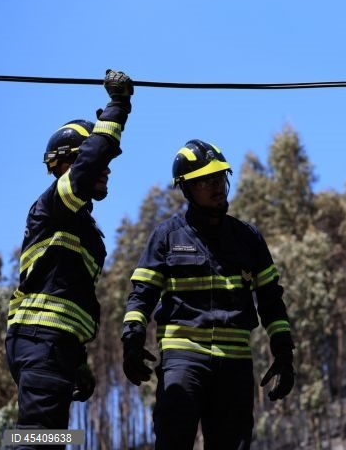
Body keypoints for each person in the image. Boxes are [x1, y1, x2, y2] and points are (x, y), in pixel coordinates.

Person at [121, 139, 295, 450]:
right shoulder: (166, 236)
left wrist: (284, 351)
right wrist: (131, 337)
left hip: (235, 364)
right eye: (205, 181)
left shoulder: (248, 238)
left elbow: (271, 300)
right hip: (183, 359)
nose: (217, 187)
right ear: (186, 189)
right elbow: (142, 294)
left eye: (220, 178)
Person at [5, 70, 134, 446]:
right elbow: (91, 163)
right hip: (40, 343)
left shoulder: (80, 225)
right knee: (37, 441)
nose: (106, 170)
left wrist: (77, 357)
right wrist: (118, 108)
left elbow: (67, 291)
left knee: (49, 440)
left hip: (54, 347)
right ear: (65, 164)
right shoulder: (52, 206)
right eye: (94, 163)